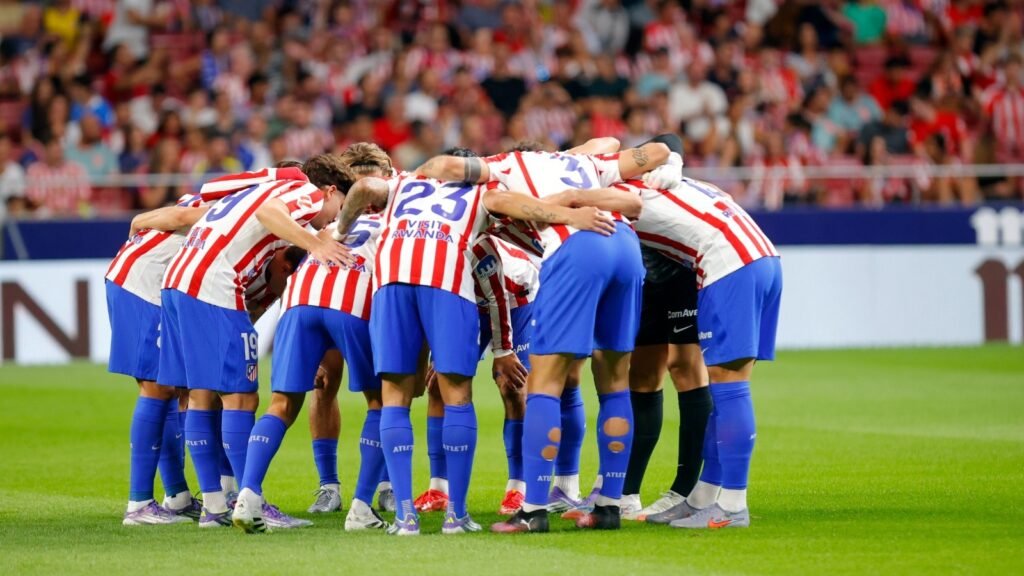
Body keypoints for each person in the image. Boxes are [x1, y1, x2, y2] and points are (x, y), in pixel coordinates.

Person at [332, 156, 623, 536]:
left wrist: (340, 230)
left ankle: (405, 518)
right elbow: (517, 205)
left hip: (392, 282)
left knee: (395, 397)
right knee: (457, 393)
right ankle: (456, 516)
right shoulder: (482, 192)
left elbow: (365, 188)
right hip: (447, 280)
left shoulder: (403, 181)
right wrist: (569, 216)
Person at [415, 138, 670, 532]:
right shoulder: (586, 162)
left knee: (545, 385)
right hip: (626, 249)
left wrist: (416, 178)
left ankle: (532, 510)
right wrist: (577, 185)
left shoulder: (506, 163)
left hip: (577, 246)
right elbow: (658, 152)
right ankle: (608, 506)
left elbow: (447, 168)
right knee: (615, 383)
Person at [158, 155, 351, 528]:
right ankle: (251, 502)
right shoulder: (307, 192)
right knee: (241, 396)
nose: (334, 219)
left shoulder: (262, 185)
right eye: (340, 207)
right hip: (213, 280)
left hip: (180, 276)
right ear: (330, 191)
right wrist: (316, 244)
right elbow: (269, 212)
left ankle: (215, 507)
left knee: (200, 394)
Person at [233, 148, 396, 534]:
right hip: (350, 300)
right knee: (383, 401)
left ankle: (248, 497)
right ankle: (361, 507)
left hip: (298, 301)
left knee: (281, 404)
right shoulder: (391, 218)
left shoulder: (324, 221)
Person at [620, 164, 783, 529]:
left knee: (729, 386)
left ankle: (733, 506)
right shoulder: (677, 183)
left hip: (729, 265)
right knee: (724, 385)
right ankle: (702, 498)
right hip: (762, 258)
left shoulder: (623, 191)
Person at [414, 227, 540, 517]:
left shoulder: (478, 250)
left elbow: (497, 299)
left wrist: (503, 352)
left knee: (512, 385)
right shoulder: (423, 253)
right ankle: (438, 488)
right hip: (467, 305)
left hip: (515, 298)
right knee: (439, 384)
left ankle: (518, 487)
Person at [107, 195, 209, 525]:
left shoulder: (221, 194)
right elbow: (181, 216)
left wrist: (140, 220)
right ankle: (138, 504)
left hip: (146, 282)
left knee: (171, 387)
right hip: (143, 284)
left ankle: (177, 496)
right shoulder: (238, 203)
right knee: (156, 388)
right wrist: (138, 219)